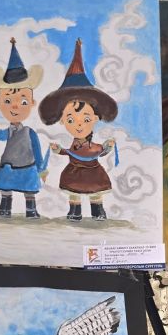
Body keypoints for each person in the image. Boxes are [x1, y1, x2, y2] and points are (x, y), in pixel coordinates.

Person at [39, 39, 118, 221]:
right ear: (62, 121)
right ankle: (75, 212)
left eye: (86, 119)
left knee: (95, 194)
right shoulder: (74, 146)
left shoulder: (93, 146)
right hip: (74, 172)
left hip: (94, 172)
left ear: (96, 118)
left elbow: (99, 151)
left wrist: (107, 146)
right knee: (74, 193)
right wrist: (58, 150)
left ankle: (98, 212)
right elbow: (69, 152)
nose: (79, 124)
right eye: (70, 120)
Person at [0, 38, 47, 218]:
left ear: (31, 103)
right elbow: (0, 136)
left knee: (29, 191)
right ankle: (4, 210)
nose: (15, 106)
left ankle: (31, 211)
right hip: (8, 167)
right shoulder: (9, 131)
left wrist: (42, 169)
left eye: (23, 101)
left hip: (27, 167)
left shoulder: (29, 132)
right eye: (8, 101)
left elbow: (38, 152)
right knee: (5, 190)